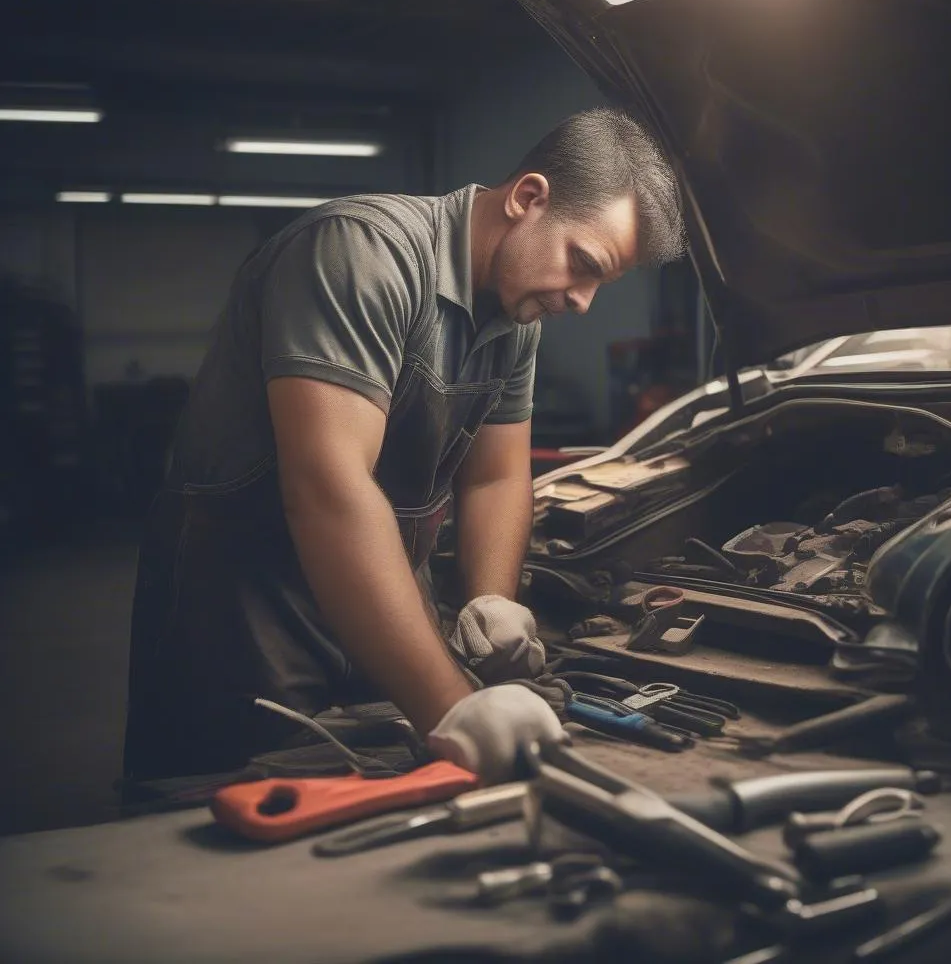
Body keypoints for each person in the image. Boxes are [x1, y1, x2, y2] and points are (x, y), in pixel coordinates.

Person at [123, 107, 684, 785]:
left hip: (380, 584)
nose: (584, 301)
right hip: (247, 607)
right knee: (229, 825)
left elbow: (497, 478)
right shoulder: (360, 252)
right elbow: (330, 491)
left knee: (391, 809)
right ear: (528, 198)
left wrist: (490, 603)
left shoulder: (515, 318)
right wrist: (450, 706)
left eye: (602, 282)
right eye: (583, 264)